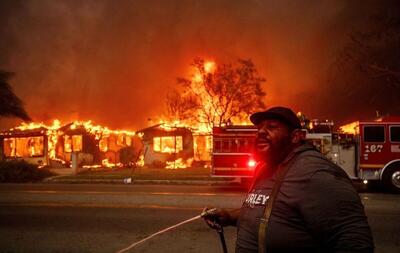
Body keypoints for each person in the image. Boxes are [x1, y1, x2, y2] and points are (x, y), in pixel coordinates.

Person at [203, 106, 374, 253]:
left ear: (296, 136)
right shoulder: (266, 168)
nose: (261, 131)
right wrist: (228, 217)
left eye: (272, 127)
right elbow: (268, 210)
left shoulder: (315, 172)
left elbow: (355, 241)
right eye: (259, 128)